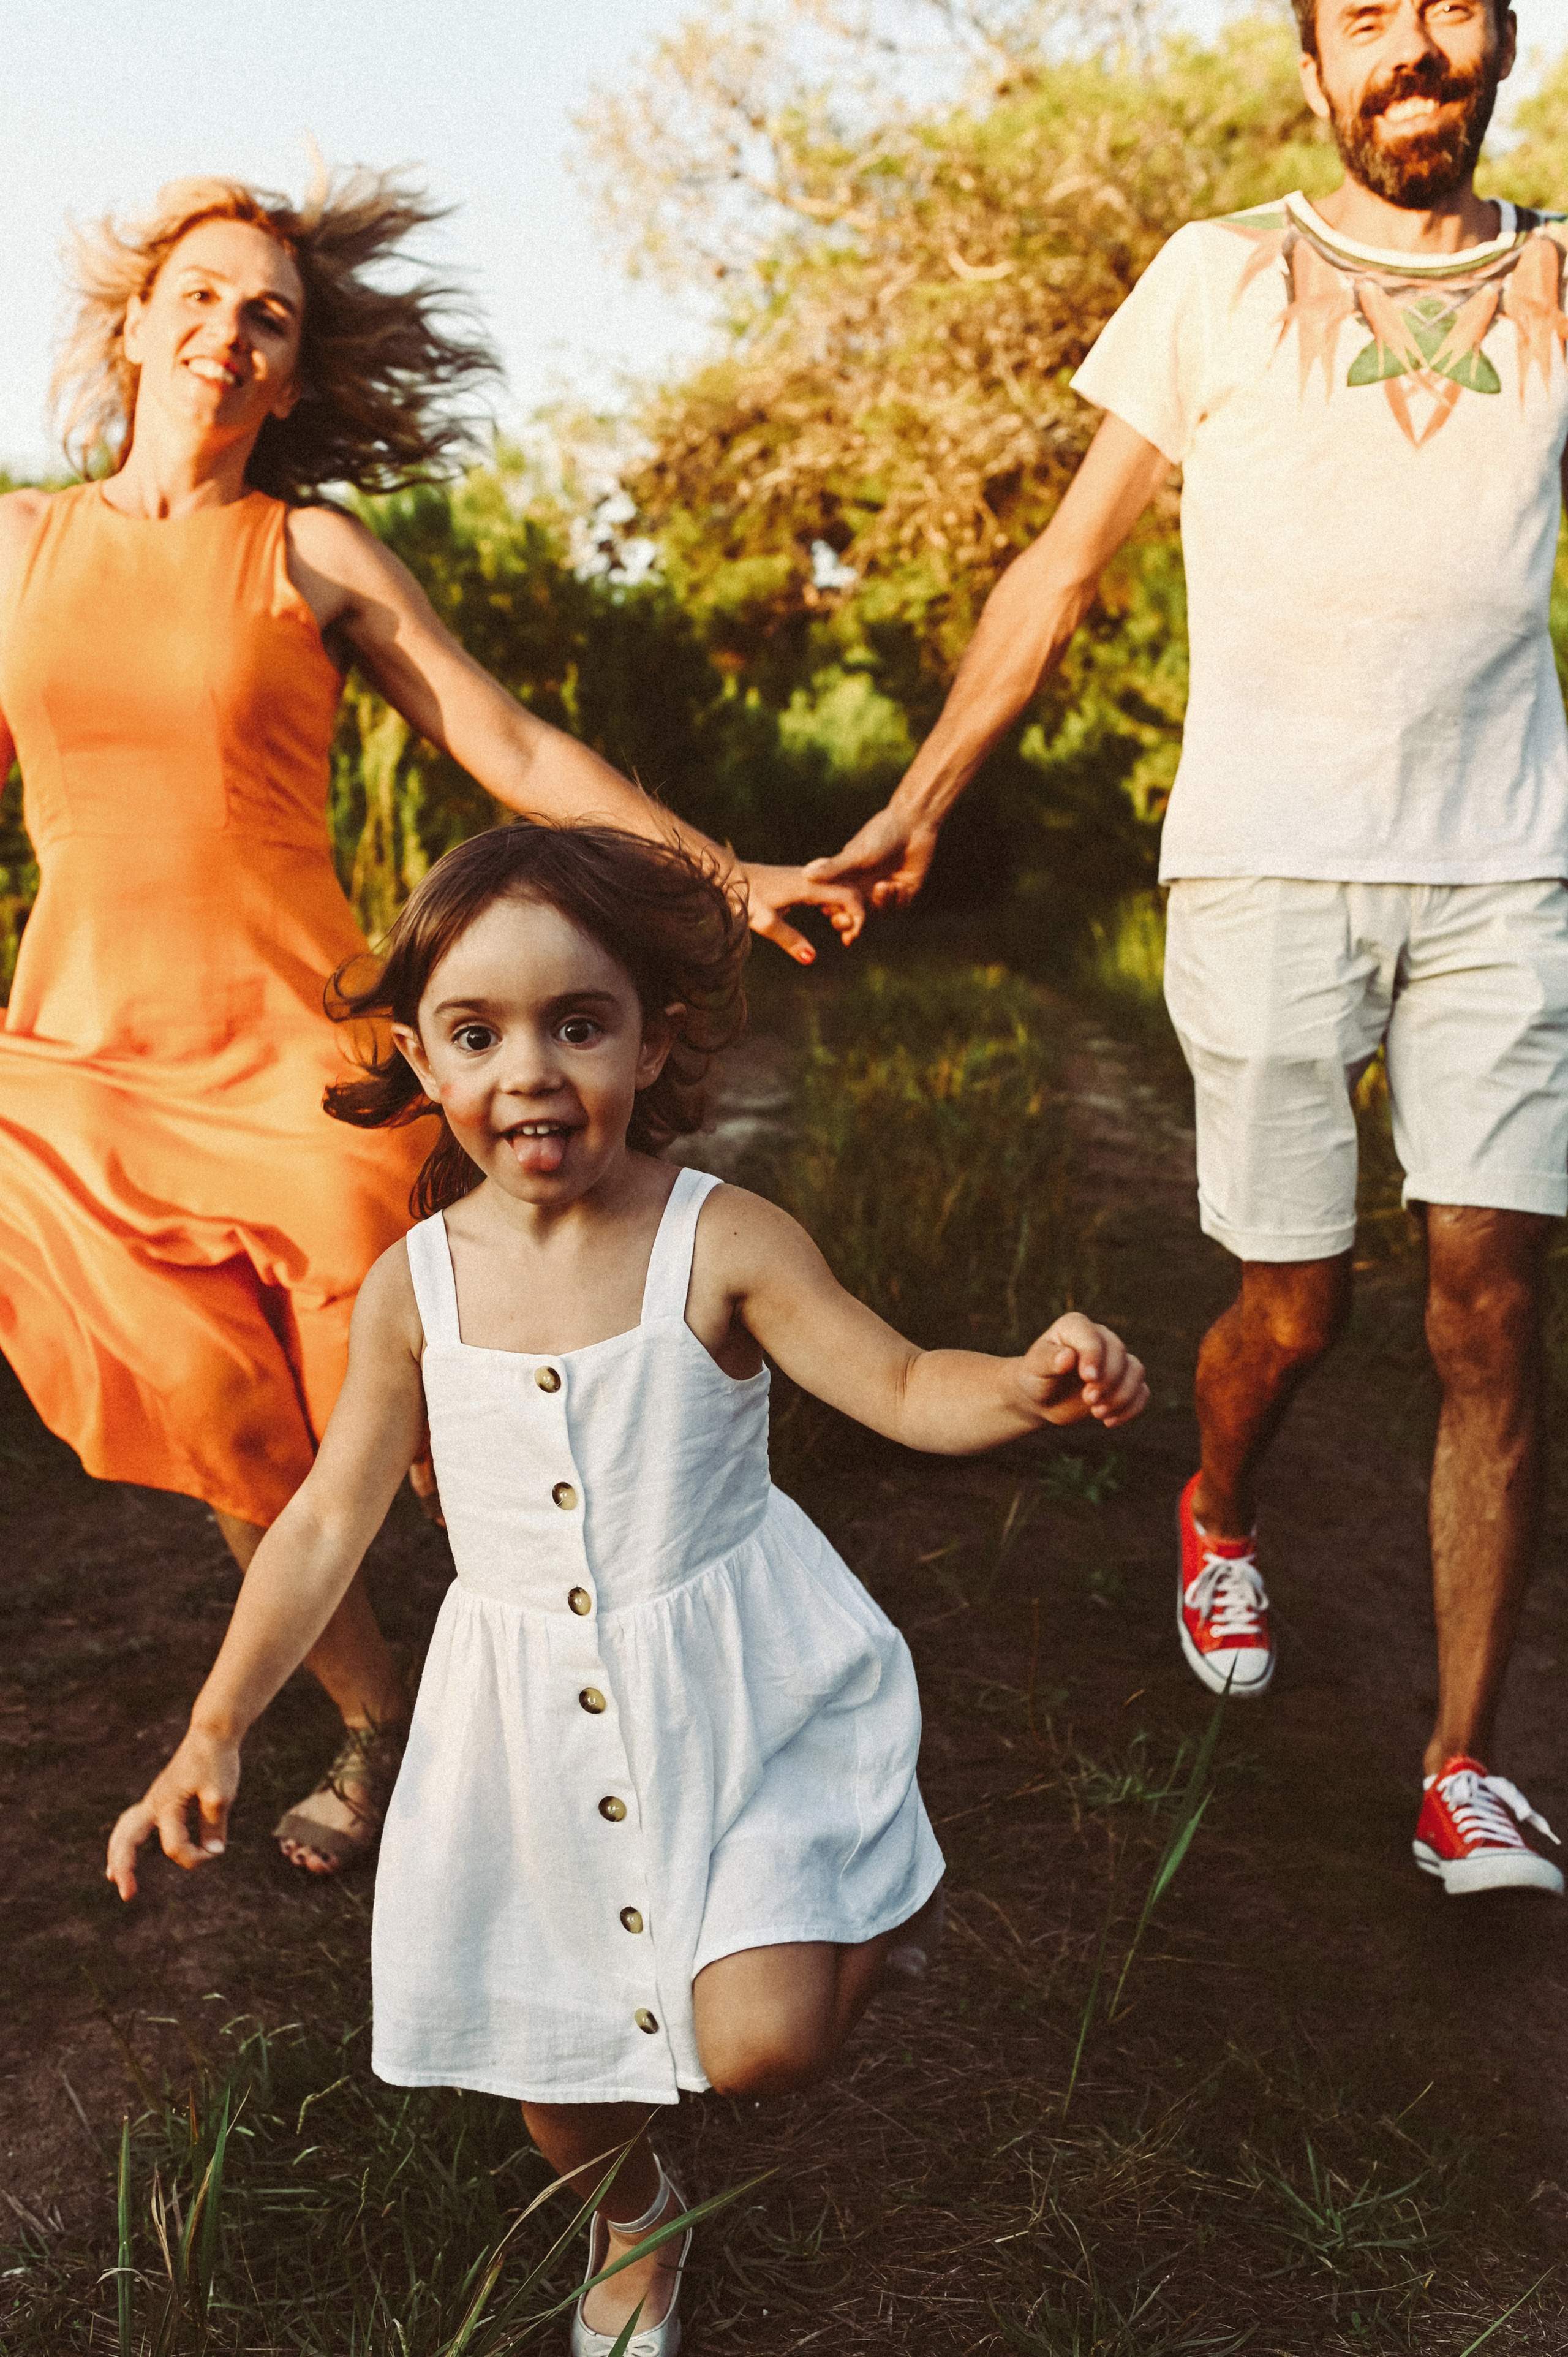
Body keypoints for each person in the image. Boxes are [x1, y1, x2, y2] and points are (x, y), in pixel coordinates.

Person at [105, 819, 1149, 2353]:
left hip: (733, 1692)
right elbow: (328, 1517)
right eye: (477, 1033)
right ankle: (631, 2211)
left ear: (652, 1042)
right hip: (520, 1719)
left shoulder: (718, 1240)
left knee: (762, 2046)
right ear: (424, 1056)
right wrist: (214, 1728)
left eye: (576, 1025)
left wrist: (1026, 1384)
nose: (528, 1071)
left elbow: (908, 1381)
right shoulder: (416, 1287)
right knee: (560, 2049)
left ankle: (854, 1900)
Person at [0, 169, 858, 1875]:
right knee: (211, 1409)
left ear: (296, 376)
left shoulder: (305, 549)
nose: (229, 331)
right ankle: (383, 1728)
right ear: (133, 323)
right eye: (202, 296)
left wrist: (725, 876)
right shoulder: (21, 546)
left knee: (424, 1427)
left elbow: (514, 748)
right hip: (81, 1067)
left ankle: (594, 1709)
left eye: (270, 316)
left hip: (300, 1056)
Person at [808, 0, 1568, 1896]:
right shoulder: (1216, 278)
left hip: (1506, 871)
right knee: (1296, 1308)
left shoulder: (1561, 284)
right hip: (1265, 867)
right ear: (1317, 71)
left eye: (1448, 12)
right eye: (1369, 22)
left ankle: (1461, 1764)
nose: (1415, 51)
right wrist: (915, 805)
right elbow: (1061, 567)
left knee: (1488, 1307)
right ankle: (1216, 1510)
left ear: (1505, 47)